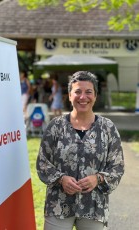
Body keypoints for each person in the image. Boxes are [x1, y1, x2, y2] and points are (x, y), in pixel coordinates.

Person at [36, 71, 124, 230]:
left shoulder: (107, 128)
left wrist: (98, 178)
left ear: (95, 96)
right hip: (58, 204)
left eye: (88, 92)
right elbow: (42, 162)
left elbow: (117, 166)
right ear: (69, 96)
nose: (83, 97)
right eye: (77, 92)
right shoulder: (56, 127)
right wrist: (60, 179)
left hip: (94, 206)